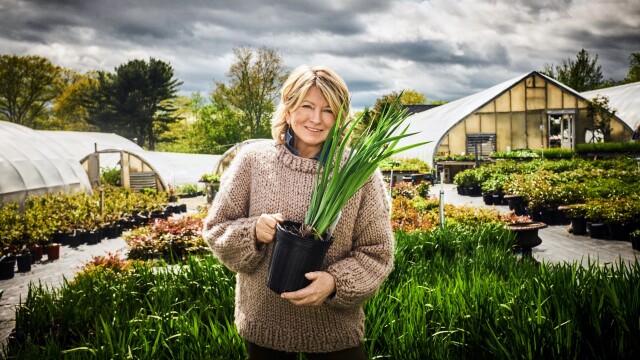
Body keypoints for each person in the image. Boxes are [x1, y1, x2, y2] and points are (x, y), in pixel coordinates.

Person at [202, 65, 394, 359]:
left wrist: (333, 283)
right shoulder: (253, 161)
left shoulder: (359, 172)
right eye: (307, 106)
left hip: (335, 333)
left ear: (340, 117)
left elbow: (376, 253)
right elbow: (217, 229)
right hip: (265, 328)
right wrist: (253, 231)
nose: (316, 119)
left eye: (329, 110)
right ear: (288, 109)